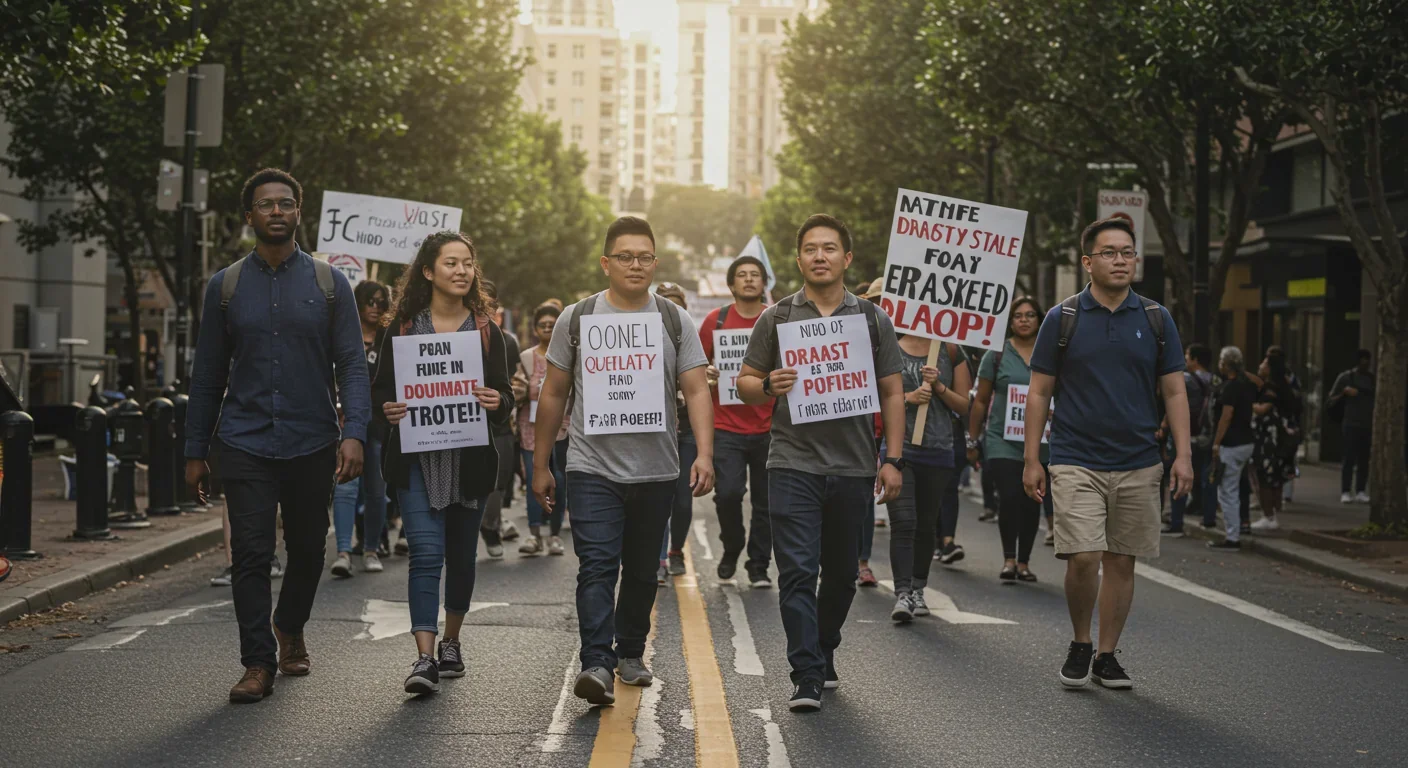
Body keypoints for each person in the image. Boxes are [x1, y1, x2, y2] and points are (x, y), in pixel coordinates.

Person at [185, 168, 369, 704]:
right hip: (244, 441)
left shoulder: (330, 284)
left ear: (298, 212)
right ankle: (258, 663)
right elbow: (207, 374)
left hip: (312, 439)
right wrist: (195, 450)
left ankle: (289, 625)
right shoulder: (225, 287)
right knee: (250, 554)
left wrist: (354, 433)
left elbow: (352, 365)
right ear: (250, 216)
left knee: (309, 549)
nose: (276, 211)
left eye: (285, 203)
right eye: (265, 204)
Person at [532, 216, 715, 707]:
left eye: (645, 257)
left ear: (655, 263)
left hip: (656, 469)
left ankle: (630, 651)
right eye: (626, 256)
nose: (636, 265)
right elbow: (554, 392)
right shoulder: (577, 318)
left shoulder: (674, 320)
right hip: (591, 467)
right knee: (595, 565)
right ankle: (596, 662)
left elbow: (697, 389)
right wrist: (541, 464)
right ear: (606, 263)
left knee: (641, 569)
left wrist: (704, 453)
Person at [737, 214, 905, 712]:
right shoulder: (777, 318)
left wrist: (893, 459)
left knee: (841, 576)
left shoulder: (872, 319)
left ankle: (824, 646)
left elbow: (892, 392)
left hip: (853, 467)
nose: (820, 256)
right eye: (810, 249)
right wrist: (768, 385)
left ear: (846, 258)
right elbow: (744, 384)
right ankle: (806, 673)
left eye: (829, 248)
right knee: (795, 572)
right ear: (798, 259)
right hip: (792, 463)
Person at [1023, 217, 1191, 691]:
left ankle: (1106, 654)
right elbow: (1039, 392)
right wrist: (1032, 459)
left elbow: (1175, 391)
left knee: (1121, 561)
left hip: (1139, 460)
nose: (1120, 260)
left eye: (1127, 252)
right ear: (1087, 262)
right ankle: (1081, 640)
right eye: (1109, 253)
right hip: (1075, 456)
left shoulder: (1156, 318)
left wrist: (1183, 455)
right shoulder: (1062, 318)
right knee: (1083, 556)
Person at [374, 231, 515, 695]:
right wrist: (388, 410)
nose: (461, 271)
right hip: (417, 461)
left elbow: (506, 396)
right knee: (426, 554)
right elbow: (381, 392)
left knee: (460, 557)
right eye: (451, 263)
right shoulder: (403, 330)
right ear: (428, 271)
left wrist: (497, 401)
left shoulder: (486, 331)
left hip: (468, 462)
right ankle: (424, 657)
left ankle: (451, 641)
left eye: (468, 263)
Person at [701, 255, 775, 588]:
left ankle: (759, 564)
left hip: (770, 427)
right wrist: (706, 373)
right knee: (728, 494)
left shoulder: (776, 319)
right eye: (742, 275)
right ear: (731, 284)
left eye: (755, 274)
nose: (748, 279)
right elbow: (695, 370)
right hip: (726, 427)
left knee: (767, 502)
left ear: (764, 283)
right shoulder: (714, 322)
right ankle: (732, 547)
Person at [888, 330, 970, 622]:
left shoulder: (951, 350)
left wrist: (939, 387)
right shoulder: (889, 347)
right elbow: (876, 396)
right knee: (903, 520)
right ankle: (902, 593)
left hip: (938, 450)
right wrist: (907, 398)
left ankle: (918, 588)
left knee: (925, 524)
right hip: (899, 448)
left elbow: (965, 406)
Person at [969, 297, 1046, 581]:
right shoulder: (996, 355)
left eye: (1030, 315)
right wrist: (972, 439)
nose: (1024, 320)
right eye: (1018, 316)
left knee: (1032, 501)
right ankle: (1009, 560)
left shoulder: (1050, 354)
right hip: (1002, 440)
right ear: (1010, 322)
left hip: (1041, 443)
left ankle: (1024, 562)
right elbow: (980, 400)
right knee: (1010, 497)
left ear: (1039, 319)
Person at [331, 280, 392, 577]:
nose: (375, 307)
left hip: (380, 425)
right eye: (369, 301)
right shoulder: (343, 334)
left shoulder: (390, 340)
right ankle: (343, 552)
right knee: (345, 486)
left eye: (381, 302)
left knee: (376, 490)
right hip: (346, 423)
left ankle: (370, 549)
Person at [513, 303, 568, 556]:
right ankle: (534, 535)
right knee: (534, 479)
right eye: (542, 325)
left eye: (552, 324)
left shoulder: (570, 355)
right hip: (531, 428)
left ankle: (555, 535)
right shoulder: (526, 358)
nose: (547, 328)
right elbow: (516, 388)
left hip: (564, 428)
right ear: (535, 329)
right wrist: (519, 390)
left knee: (560, 480)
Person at [654, 282, 699, 581]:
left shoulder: (693, 338)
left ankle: (676, 551)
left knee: (683, 499)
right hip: (656, 429)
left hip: (687, 431)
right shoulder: (641, 339)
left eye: (677, 305)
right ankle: (658, 559)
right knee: (659, 498)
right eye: (665, 305)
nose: (672, 310)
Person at [479, 279, 522, 553]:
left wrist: (507, 398)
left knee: (500, 478)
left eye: (490, 302)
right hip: (464, 423)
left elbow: (513, 382)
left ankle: (490, 525)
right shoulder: (451, 336)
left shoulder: (507, 341)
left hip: (499, 423)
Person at [1208, 346, 1257, 550]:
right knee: (1236, 486)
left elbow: (1226, 416)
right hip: (1246, 441)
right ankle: (1238, 527)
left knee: (1227, 491)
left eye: (1222, 361)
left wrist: (1217, 442)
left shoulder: (1230, 388)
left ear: (1227, 365)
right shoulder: (1247, 385)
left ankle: (1232, 536)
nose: (1219, 365)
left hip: (1232, 444)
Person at [1164, 343, 1214, 536]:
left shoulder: (1186, 379)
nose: (1185, 359)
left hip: (1185, 434)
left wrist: (1164, 426)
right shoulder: (1214, 379)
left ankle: (1176, 522)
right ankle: (1206, 515)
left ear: (1195, 359)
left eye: (1187, 355)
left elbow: (1175, 403)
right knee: (1203, 477)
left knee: (1178, 476)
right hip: (1205, 435)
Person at [1250, 355, 1301, 531]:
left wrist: (1249, 404)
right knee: (1274, 478)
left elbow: (1264, 409)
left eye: (1264, 363)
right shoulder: (1283, 386)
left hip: (1268, 438)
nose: (1260, 365)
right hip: (1278, 437)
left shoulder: (1271, 388)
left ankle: (1269, 516)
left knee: (1264, 477)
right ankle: (1273, 512)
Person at [1328, 350, 1374, 504]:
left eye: (1367, 361)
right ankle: (1346, 490)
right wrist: (1344, 393)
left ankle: (1360, 490)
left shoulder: (1372, 379)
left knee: (1364, 459)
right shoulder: (1346, 377)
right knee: (1349, 458)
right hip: (1350, 423)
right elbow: (1331, 399)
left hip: (1367, 424)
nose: (1365, 364)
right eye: (1362, 361)